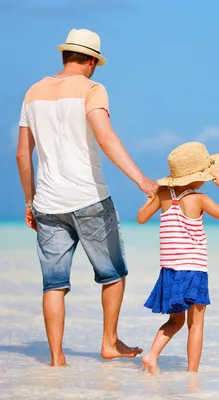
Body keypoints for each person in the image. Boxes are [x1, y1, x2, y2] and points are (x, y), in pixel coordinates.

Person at [15, 28, 158, 366]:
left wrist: (28, 201)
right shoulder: (93, 89)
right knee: (113, 274)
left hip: (47, 204)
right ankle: (109, 342)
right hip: (89, 200)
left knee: (53, 284)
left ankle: (56, 357)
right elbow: (106, 138)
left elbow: (23, 155)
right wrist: (142, 180)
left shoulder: (32, 92)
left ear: (65, 56)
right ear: (92, 61)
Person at [136, 142, 219, 374]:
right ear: (196, 177)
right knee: (196, 324)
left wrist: (153, 196)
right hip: (193, 270)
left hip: (170, 271)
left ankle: (152, 355)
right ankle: (192, 375)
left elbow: (141, 218)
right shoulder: (198, 198)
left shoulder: (163, 195)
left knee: (175, 321)